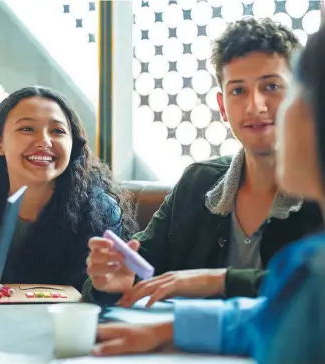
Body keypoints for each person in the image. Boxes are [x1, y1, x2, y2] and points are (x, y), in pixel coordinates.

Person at [93, 23, 325, 363]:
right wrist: (113, 282)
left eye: (274, 88)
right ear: (221, 103)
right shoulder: (198, 182)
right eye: (238, 91)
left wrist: (219, 281)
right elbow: (261, 318)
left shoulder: (310, 263)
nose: (256, 106)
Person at [0, 86, 138, 291]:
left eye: (57, 131)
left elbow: (96, 290)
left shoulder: (99, 209)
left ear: (73, 147)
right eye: (27, 128)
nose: (44, 141)